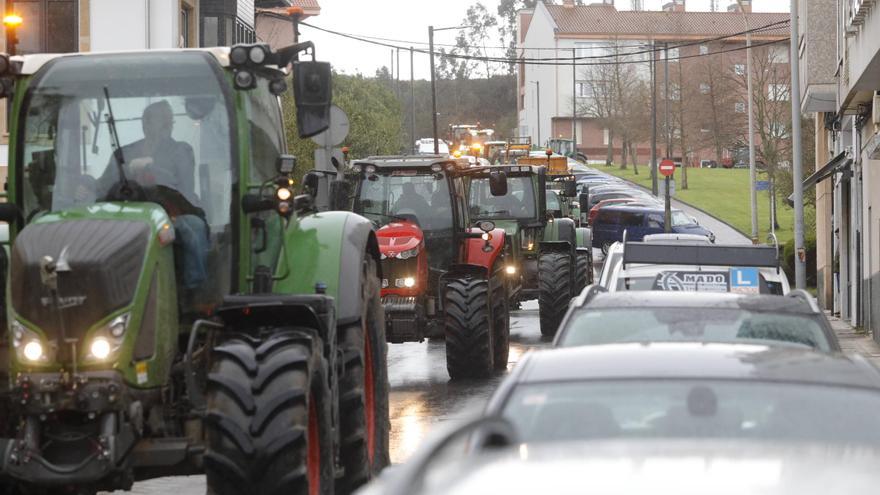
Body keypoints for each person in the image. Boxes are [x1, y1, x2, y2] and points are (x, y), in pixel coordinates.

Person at [98, 100, 208, 291]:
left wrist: (152, 166)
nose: (167, 124)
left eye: (169, 120)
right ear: (145, 123)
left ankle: (195, 290)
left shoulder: (181, 150)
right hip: (129, 218)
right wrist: (84, 185)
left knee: (194, 228)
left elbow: (185, 189)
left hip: (172, 215)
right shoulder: (124, 153)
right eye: (162, 119)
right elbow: (104, 187)